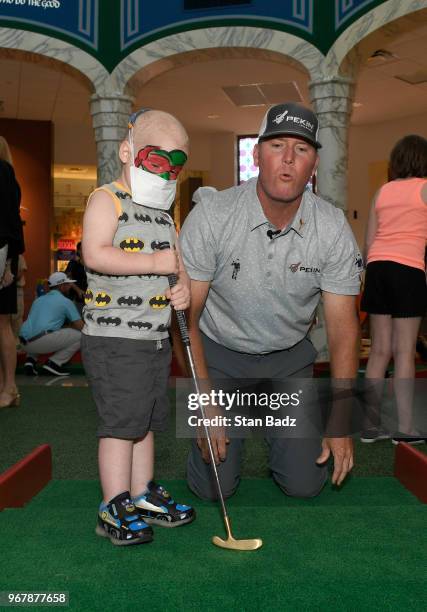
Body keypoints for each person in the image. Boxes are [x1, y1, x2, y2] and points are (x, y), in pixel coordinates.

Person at [179, 102, 362, 501]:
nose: (288, 160)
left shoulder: (331, 227)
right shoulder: (212, 216)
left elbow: (344, 331)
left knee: (304, 485)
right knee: (215, 489)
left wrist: (341, 419)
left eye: (302, 150)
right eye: (277, 145)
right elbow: (184, 320)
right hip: (219, 356)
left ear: (314, 163)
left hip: (287, 358)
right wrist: (205, 401)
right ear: (257, 154)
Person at [81, 108, 194, 546]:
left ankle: (143, 494)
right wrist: (150, 262)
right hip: (113, 338)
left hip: (152, 338)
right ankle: (113, 503)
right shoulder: (105, 199)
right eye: (155, 160)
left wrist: (181, 288)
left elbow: (176, 266)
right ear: (128, 152)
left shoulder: (165, 212)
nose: (166, 173)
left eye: (175, 165)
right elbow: (95, 253)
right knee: (119, 424)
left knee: (145, 421)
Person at [361, 135, 427, 444]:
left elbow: (369, 243)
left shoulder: (381, 191)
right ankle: (406, 429)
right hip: (408, 270)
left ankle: (370, 427)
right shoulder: (425, 189)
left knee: (378, 351)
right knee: (404, 352)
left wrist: (372, 270)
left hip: (377, 269)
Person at [0, 136, 25, 408]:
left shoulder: (3, 173)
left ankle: (9, 387)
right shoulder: (8, 173)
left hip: (2, 253)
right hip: (6, 253)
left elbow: (8, 219)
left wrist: (7, 262)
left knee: (2, 323)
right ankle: (6, 387)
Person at [19, 271, 83, 376]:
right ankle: (54, 363)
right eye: (68, 284)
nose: (70, 287)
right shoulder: (66, 301)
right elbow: (81, 326)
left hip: (23, 343)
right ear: (62, 286)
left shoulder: (39, 300)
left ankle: (30, 361)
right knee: (81, 336)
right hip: (41, 342)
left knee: (38, 330)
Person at [65, 241, 87, 313]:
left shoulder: (92, 263)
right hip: (76, 297)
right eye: (82, 249)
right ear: (78, 251)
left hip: (90, 298)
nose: (84, 251)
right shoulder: (73, 263)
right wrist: (78, 290)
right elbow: (67, 278)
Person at [11, 254, 28, 340]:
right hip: (4, 290)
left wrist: (9, 280)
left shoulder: (18, 255)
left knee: (17, 318)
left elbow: (21, 272)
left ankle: (17, 344)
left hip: (16, 289)